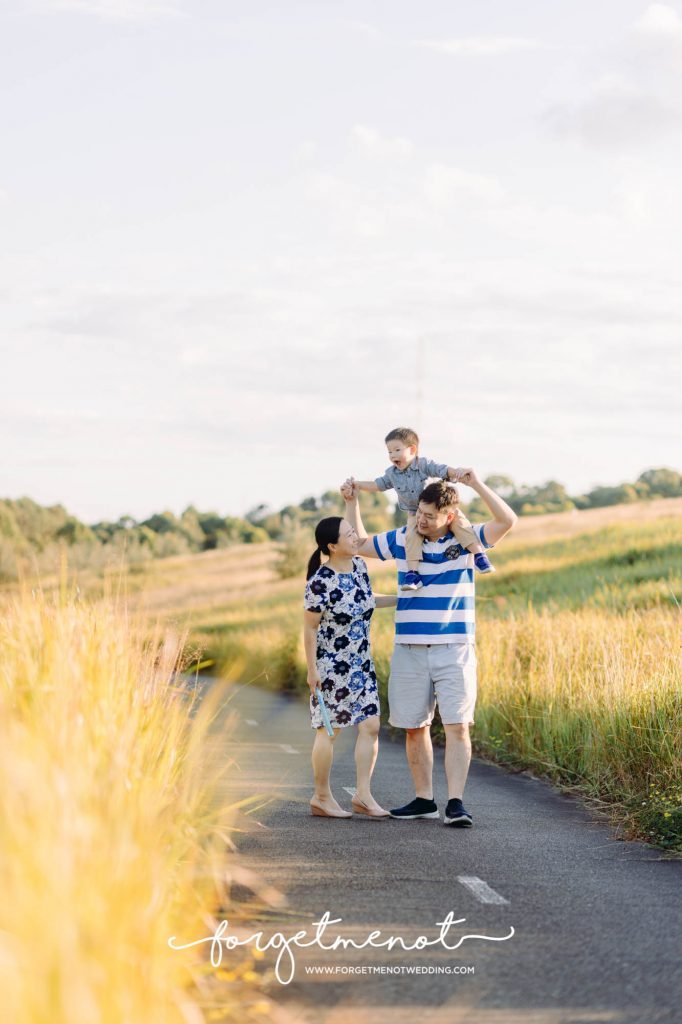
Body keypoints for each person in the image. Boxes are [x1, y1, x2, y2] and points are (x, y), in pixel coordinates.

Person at [340, 471, 516, 828]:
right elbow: (358, 542)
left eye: (429, 515)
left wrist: (476, 484)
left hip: (454, 648)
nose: (421, 519)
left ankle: (456, 803)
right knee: (414, 727)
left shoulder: (468, 541)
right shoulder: (404, 538)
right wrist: (351, 502)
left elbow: (507, 520)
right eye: (419, 512)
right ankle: (424, 800)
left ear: (449, 516)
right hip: (409, 648)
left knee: (457, 726)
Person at [303, 516, 397, 819]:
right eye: (349, 533)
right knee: (329, 731)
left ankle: (363, 796)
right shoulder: (320, 581)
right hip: (332, 666)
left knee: (371, 726)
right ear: (332, 546)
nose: (355, 536)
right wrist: (312, 670)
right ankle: (321, 797)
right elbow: (309, 628)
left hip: (362, 663)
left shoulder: (359, 568)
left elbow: (365, 601)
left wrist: (403, 598)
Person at [345, 426, 495, 591]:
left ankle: (479, 556)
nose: (392, 455)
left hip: (439, 508)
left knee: (461, 525)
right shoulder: (392, 474)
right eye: (389, 452)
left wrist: (458, 472)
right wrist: (357, 485)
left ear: (412, 450)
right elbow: (377, 485)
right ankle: (413, 574)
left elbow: (443, 470)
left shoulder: (424, 465)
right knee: (411, 538)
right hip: (413, 513)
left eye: (396, 450)